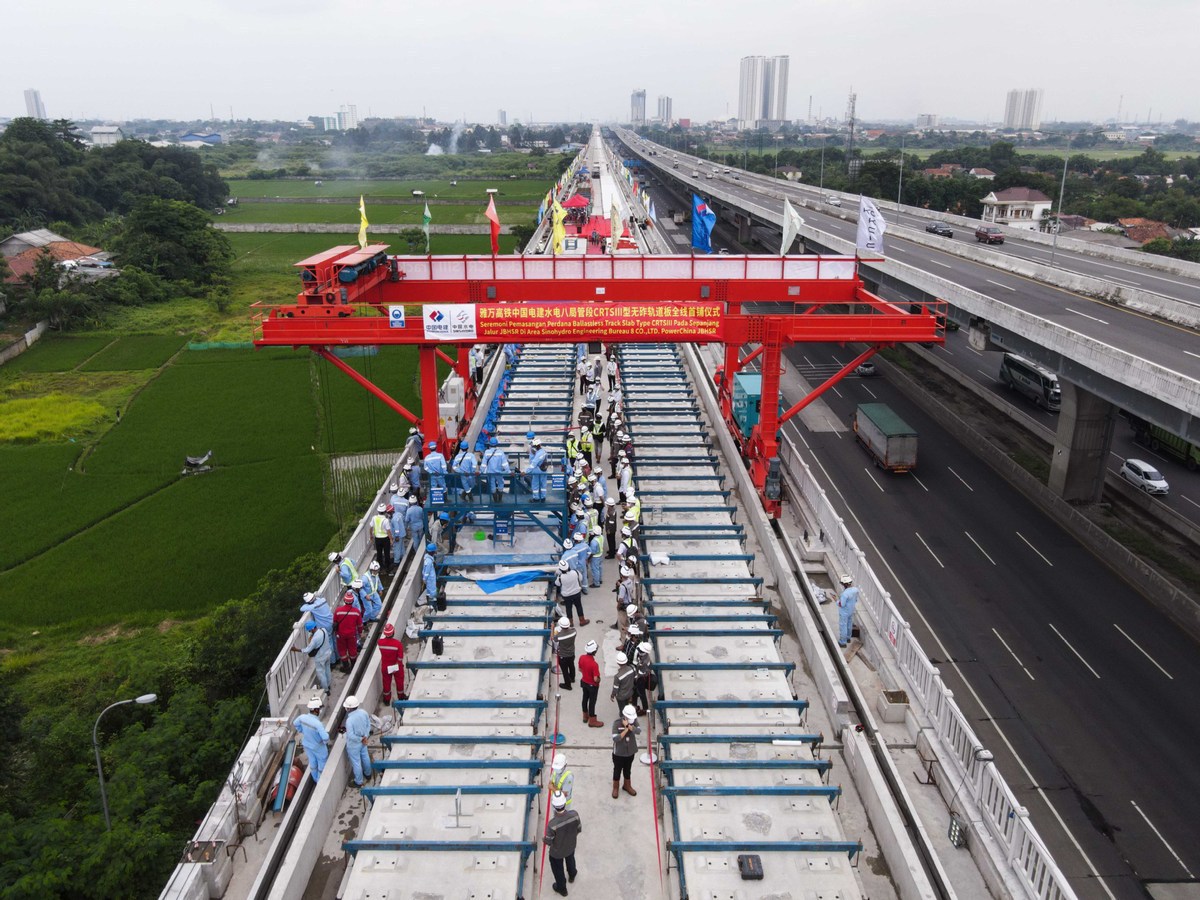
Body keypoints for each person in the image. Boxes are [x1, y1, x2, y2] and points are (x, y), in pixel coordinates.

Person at [543, 791, 582, 897]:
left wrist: (544, 839)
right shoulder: (575, 815)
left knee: (558, 869)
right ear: (565, 803)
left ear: (554, 806)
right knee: (570, 859)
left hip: (557, 852)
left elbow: (548, 841)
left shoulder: (552, 825)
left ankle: (562, 888)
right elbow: (578, 829)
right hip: (571, 846)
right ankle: (572, 874)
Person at [292, 697, 330, 783]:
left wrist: (302, 730)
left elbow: (295, 723)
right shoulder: (318, 724)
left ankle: (315, 778)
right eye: (319, 708)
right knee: (322, 763)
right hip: (318, 747)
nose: (320, 710)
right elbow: (325, 737)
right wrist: (324, 741)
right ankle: (320, 781)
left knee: (312, 762)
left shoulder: (302, 717)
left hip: (307, 744)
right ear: (316, 710)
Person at [291, 620, 332, 694]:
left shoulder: (314, 639)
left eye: (310, 630)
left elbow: (307, 650)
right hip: (328, 653)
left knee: (321, 674)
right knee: (327, 669)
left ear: (312, 629)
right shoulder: (323, 630)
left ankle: (326, 690)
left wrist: (296, 649)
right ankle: (328, 685)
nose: (310, 632)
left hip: (320, 658)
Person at [342, 695, 373, 788]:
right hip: (364, 741)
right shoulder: (363, 712)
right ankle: (368, 774)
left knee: (356, 762)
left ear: (348, 708)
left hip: (354, 745)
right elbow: (368, 724)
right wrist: (365, 736)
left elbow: (350, 735)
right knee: (365, 756)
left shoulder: (349, 720)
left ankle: (359, 782)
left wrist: (360, 739)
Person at [300, 591, 338, 664]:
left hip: (325, 626)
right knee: (334, 640)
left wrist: (307, 605)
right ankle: (338, 657)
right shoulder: (323, 600)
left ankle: (333, 661)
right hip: (332, 622)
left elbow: (302, 608)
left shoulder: (313, 607)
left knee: (329, 643)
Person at [611, 704, 640, 798]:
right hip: (619, 752)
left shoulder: (634, 721)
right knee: (617, 770)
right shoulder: (617, 723)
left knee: (628, 770)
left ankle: (627, 785)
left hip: (630, 751)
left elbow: (638, 731)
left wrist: (629, 726)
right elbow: (616, 738)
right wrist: (626, 729)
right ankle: (615, 787)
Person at [333, 591, 362, 672]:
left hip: (340, 635)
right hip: (352, 635)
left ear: (344, 600)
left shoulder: (338, 611)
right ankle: (353, 666)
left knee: (342, 650)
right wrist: (359, 633)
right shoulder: (356, 612)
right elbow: (360, 625)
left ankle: (346, 667)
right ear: (352, 601)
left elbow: (335, 622)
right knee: (352, 650)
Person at [378, 622, 405, 704]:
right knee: (399, 682)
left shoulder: (380, 642)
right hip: (396, 666)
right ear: (393, 632)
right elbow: (400, 658)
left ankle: (386, 700)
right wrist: (398, 666)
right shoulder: (398, 644)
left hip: (385, 667)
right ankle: (401, 698)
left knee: (386, 683)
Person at [579, 639, 603, 728]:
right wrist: (599, 680)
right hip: (592, 686)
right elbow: (595, 678)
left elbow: (580, 669)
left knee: (585, 698)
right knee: (592, 702)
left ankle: (585, 715)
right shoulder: (594, 664)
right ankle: (592, 720)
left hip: (584, 682)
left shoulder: (581, 657)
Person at [555, 560, 585, 626]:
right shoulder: (575, 572)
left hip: (567, 595)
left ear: (561, 569)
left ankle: (570, 623)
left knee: (568, 608)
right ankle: (582, 621)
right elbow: (581, 578)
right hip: (576, 593)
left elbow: (557, 584)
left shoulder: (560, 577)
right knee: (579, 606)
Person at [482, 436, 511, 503]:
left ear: (490, 444)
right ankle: (500, 499)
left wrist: (481, 471)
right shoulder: (500, 452)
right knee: (501, 483)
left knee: (492, 485)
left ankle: (495, 500)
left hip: (490, 473)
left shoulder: (487, 452)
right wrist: (508, 471)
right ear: (497, 444)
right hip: (499, 472)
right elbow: (505, 464)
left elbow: (483, 464)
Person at [554, 616, 577, 690]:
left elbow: (554, 639)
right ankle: (572, 678)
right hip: (571, 653)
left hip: (563, 656)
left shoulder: (559, 635)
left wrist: (552, 628)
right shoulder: (574, 631)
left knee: (565, 671)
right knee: (571, 666)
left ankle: (568, 685)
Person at [838, 574, 860, 647]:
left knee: (843, 626)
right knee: (849, 624)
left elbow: (842, 604)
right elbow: (856, 600)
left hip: (844, 612)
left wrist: (837, 601)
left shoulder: (845, 594)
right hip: (851, 610)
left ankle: (842, 642)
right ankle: (848, 638)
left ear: (845, 584)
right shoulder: (855, 590)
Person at [525, 437, 548, 501]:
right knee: (543, 485)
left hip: (537, 470)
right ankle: (543, 497)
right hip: (544, 470)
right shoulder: (543, 451)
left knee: (535, 485)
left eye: (534, 446)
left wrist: (526, 472)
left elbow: (533, 464)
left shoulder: (538, 454)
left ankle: (536, 498)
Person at [370, 503, 391, 574]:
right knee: (386, 553)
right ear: (385, 511)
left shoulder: (374, 518)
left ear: (378, 511)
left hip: (377, 539)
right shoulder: (386, 520)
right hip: (385, 539)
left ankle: (380, 566)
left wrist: (371, 535)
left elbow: (371, 527)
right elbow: (388, 531)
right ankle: (387, 567)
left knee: (379, 553)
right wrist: (391, 539)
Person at [390, 500, 408, 569]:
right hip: (403, 533)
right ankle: (404, 557)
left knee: (397, 548)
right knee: (402, 546)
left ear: (390, 512)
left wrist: (396, 536)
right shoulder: (399, 514)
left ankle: (396, 561)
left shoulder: (394, 519)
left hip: (398, 535)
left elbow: (396, 528)